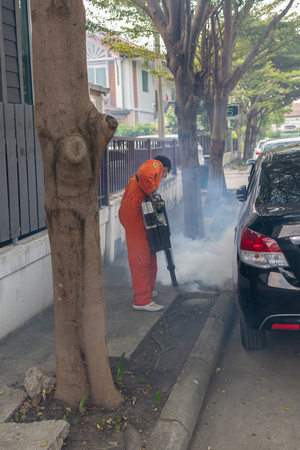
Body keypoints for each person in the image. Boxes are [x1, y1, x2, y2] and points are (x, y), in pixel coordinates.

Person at [119, 155, 171, 312]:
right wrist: (153, 192)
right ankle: (141, 300)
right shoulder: (156, 164)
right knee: (141, 255)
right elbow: (146, 175)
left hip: (136, 211)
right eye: (166, 173)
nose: (164, 176)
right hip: (134, 211)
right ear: (166, 168)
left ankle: (147, 291)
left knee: (150, 251)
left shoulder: (137, 179)